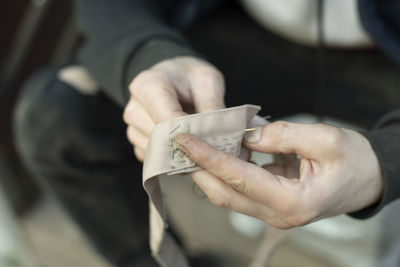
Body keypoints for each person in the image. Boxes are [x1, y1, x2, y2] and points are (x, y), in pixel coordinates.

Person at [13, 0, 400, 266]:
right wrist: (145, 53)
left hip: (385, 60)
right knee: (57, 113)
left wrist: (385, 159)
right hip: (237, 27)